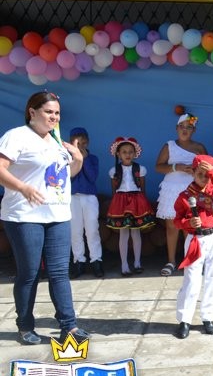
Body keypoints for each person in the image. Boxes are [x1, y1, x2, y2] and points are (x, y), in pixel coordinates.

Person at [0, 91, 90, 345]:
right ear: (32, 112)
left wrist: (78, 160)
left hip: (57, 214)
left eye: (57, 113)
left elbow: (64, 176)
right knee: (29, 273)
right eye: (49, 111)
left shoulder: (56, 141)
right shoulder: (17, 136)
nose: (54, 117)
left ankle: (69, 326)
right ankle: (25, 325)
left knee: (60, 272)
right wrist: (23, 188)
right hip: (24, 215)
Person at [172, 154, 213, 339]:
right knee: (191, 280)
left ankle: (208, 317)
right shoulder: (185, 196)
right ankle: (185, 319)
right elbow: (177, 220)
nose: (204, 178)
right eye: (200, 174)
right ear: (193, 173)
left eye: (207, 174)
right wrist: (188, 222)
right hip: (195, 240)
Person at [155, 114, 207, 277]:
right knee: (172, 227)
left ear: (194, 130)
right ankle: (171, 261)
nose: (185, 130)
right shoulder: (169, 146)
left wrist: (196, 170)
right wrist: (176, 167)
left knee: (190, 227)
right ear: (176, 128)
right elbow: (158, 167)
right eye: (182, 127)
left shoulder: (199, 148)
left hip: (191, 190)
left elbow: (207, 168)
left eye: (189, 127)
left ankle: (190, 261)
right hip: (172, 189)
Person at [106, 137, 156, 276]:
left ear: (135, 153)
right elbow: (114, 190)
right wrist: (115, 205)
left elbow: (143, 188)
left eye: (130, 152)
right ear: (118, 154)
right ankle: (124, 264)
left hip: (136, 201)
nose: (127, 154)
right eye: (124, 152)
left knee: (136, 232)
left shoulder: (140, 169)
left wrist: (144, 205)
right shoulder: (113, 171)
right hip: (120, 201)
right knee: (124, 233)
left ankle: (137, 263)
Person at [67, 126, 103, 278]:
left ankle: (96, 260)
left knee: (92, 230)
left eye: (83, 143)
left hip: (89, 197)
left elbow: (92, 177)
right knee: (75, 231)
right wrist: (76, 159)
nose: (80, 146)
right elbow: (69, 177)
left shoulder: (93, 158)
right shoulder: (67, 158)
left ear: (87, 143)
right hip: (72, 197)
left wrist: (85, 159)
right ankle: (78, 261)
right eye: (77, 143)